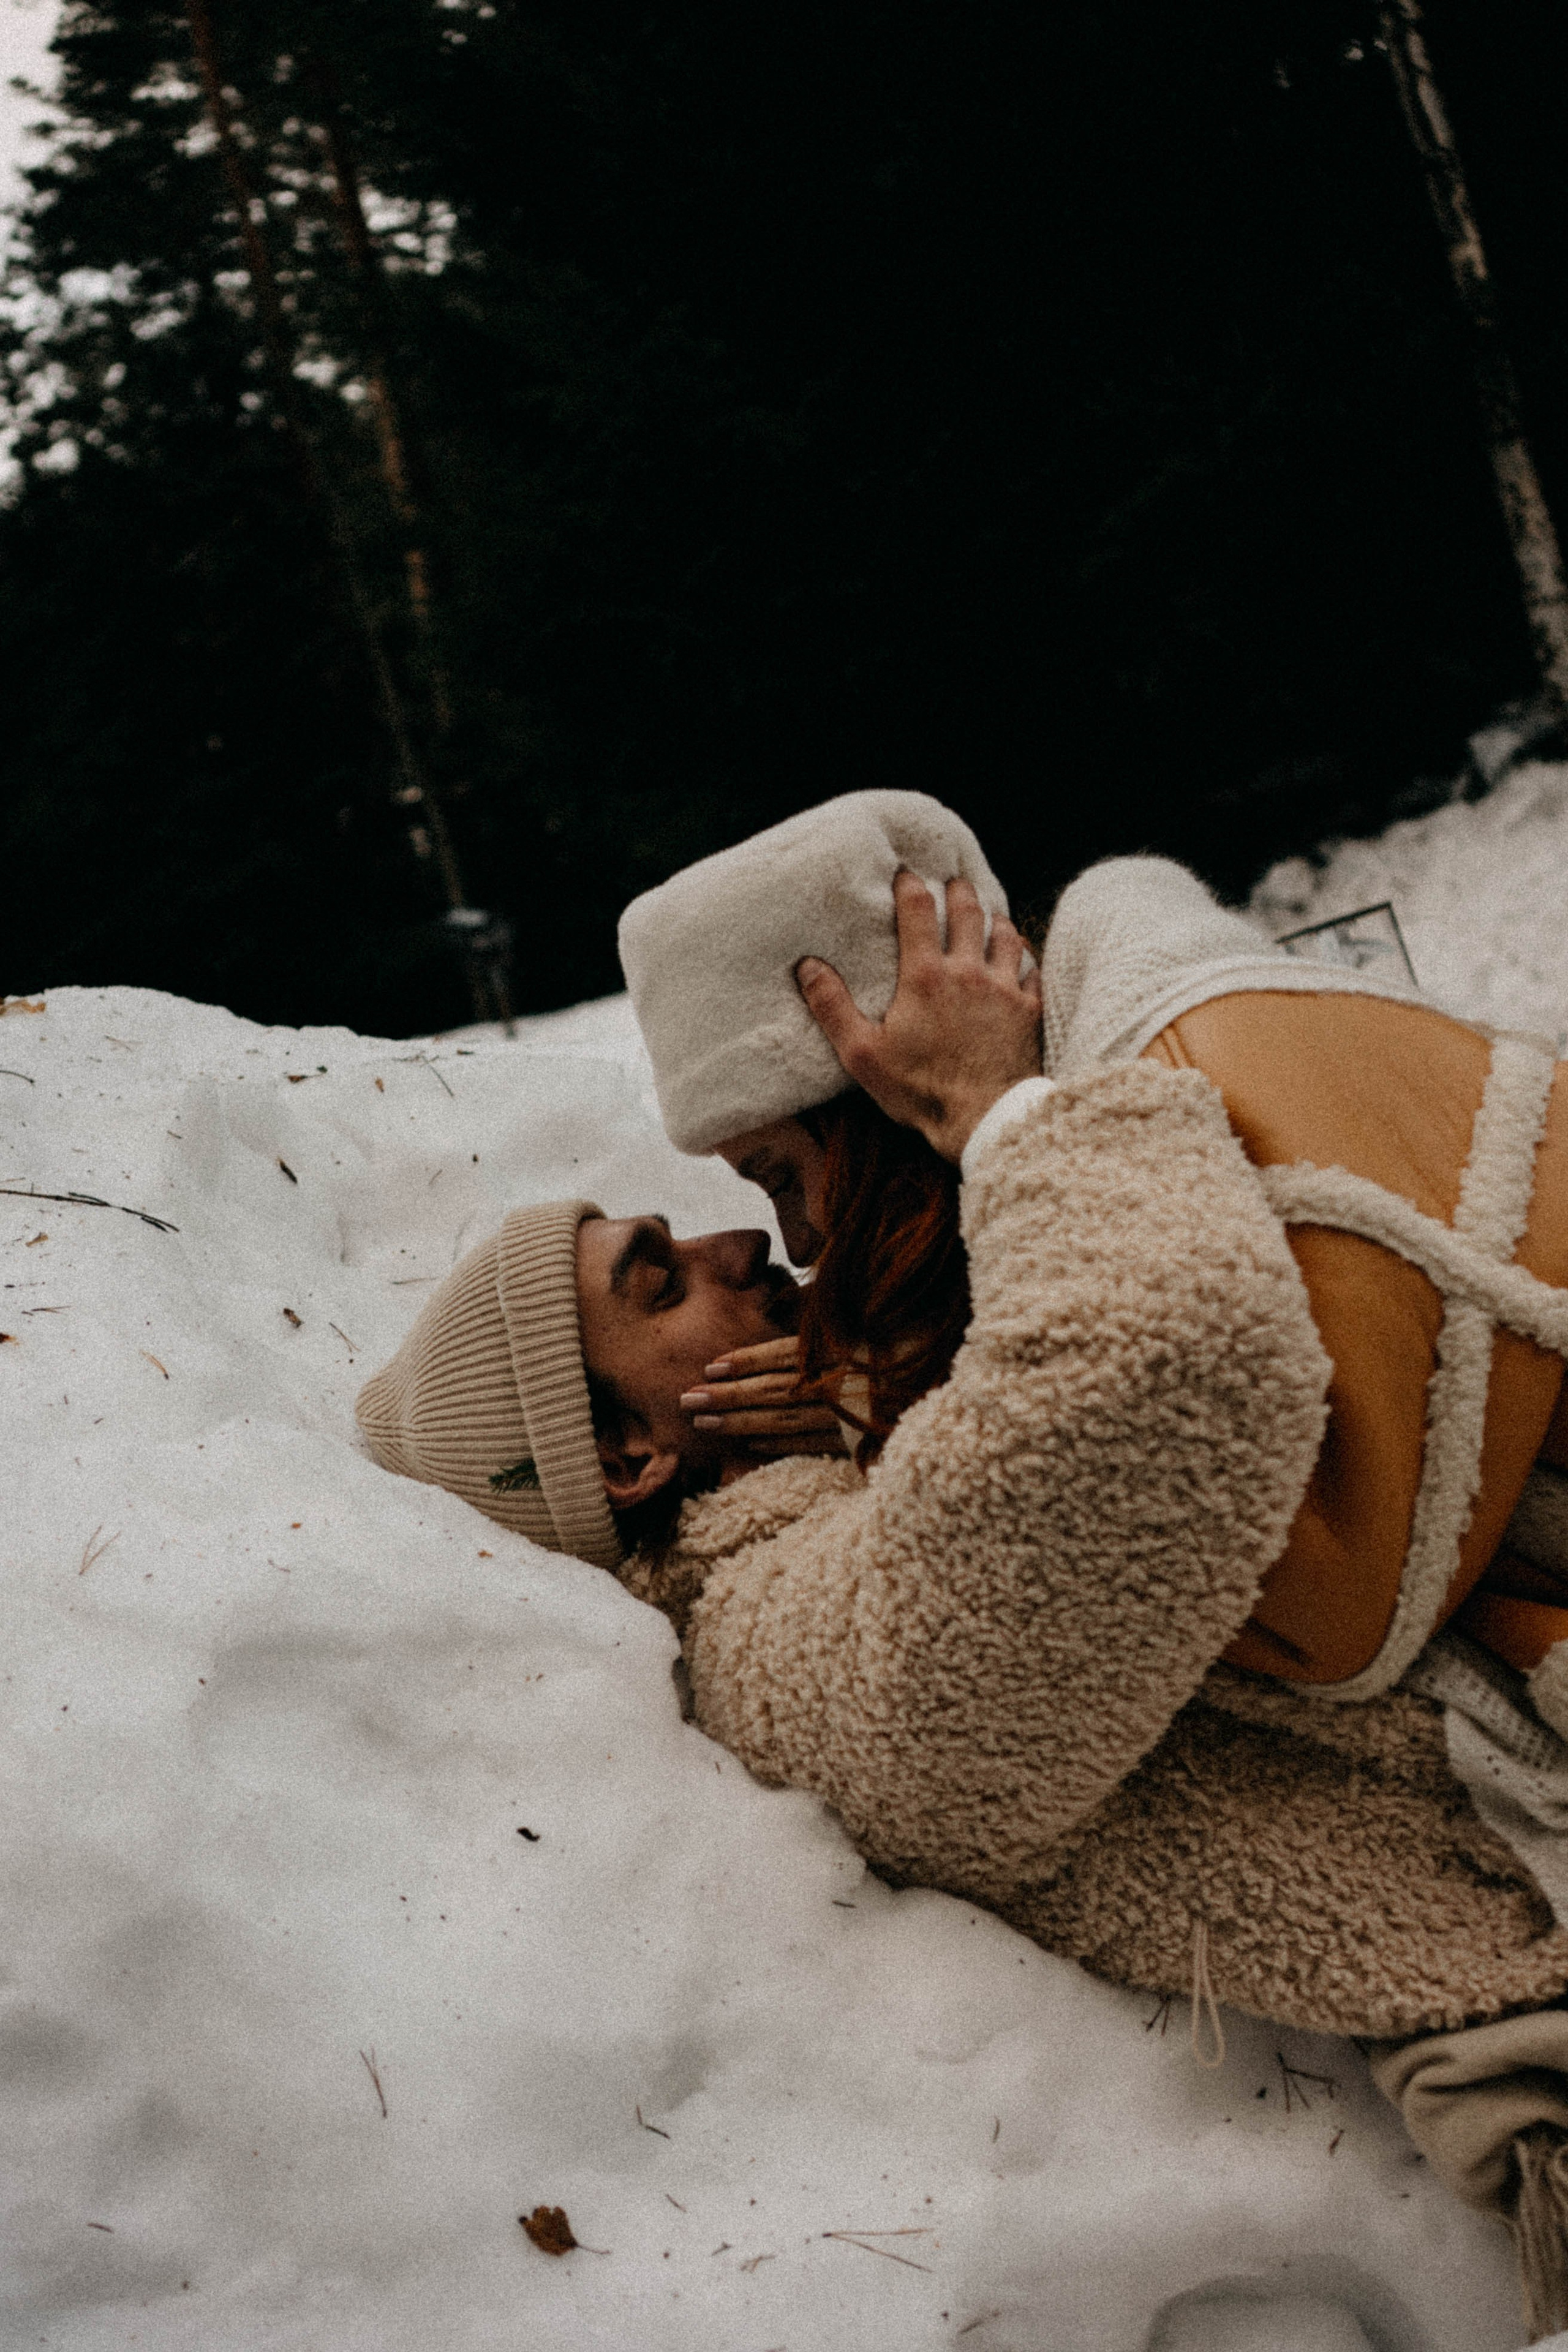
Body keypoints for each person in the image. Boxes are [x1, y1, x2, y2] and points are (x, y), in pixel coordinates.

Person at [358, 794, 1568, 2328]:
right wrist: (1007, 1113)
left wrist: (864, 1381)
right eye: (661, 1284)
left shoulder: (860, 1447)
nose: (760, 1253)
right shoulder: (771, 1644)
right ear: (625, 1461)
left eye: (758, 1196)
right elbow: (1150, 1373)